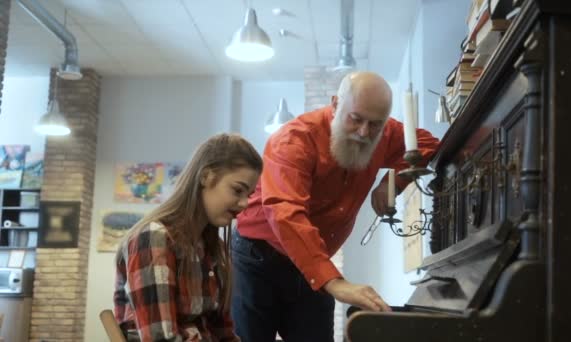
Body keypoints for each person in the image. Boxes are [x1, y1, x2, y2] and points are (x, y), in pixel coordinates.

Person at [231, 71, 440, 342]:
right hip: (257, 257)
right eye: (355, 119)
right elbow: (285, 213)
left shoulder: (385, 134)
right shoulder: (294, 140)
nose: (364, 133)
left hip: (312, 256)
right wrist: (335, 283)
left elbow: (428, 145)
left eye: (375, 124)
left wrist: (393, 182)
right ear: (335, 104)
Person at [114, 133, 263, 341]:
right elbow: (162, 339)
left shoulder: (214, 248)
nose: (245, 203)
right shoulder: (154, 239)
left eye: (249, 195)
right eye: (238, 190)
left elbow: (223, 333)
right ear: (205, 176)